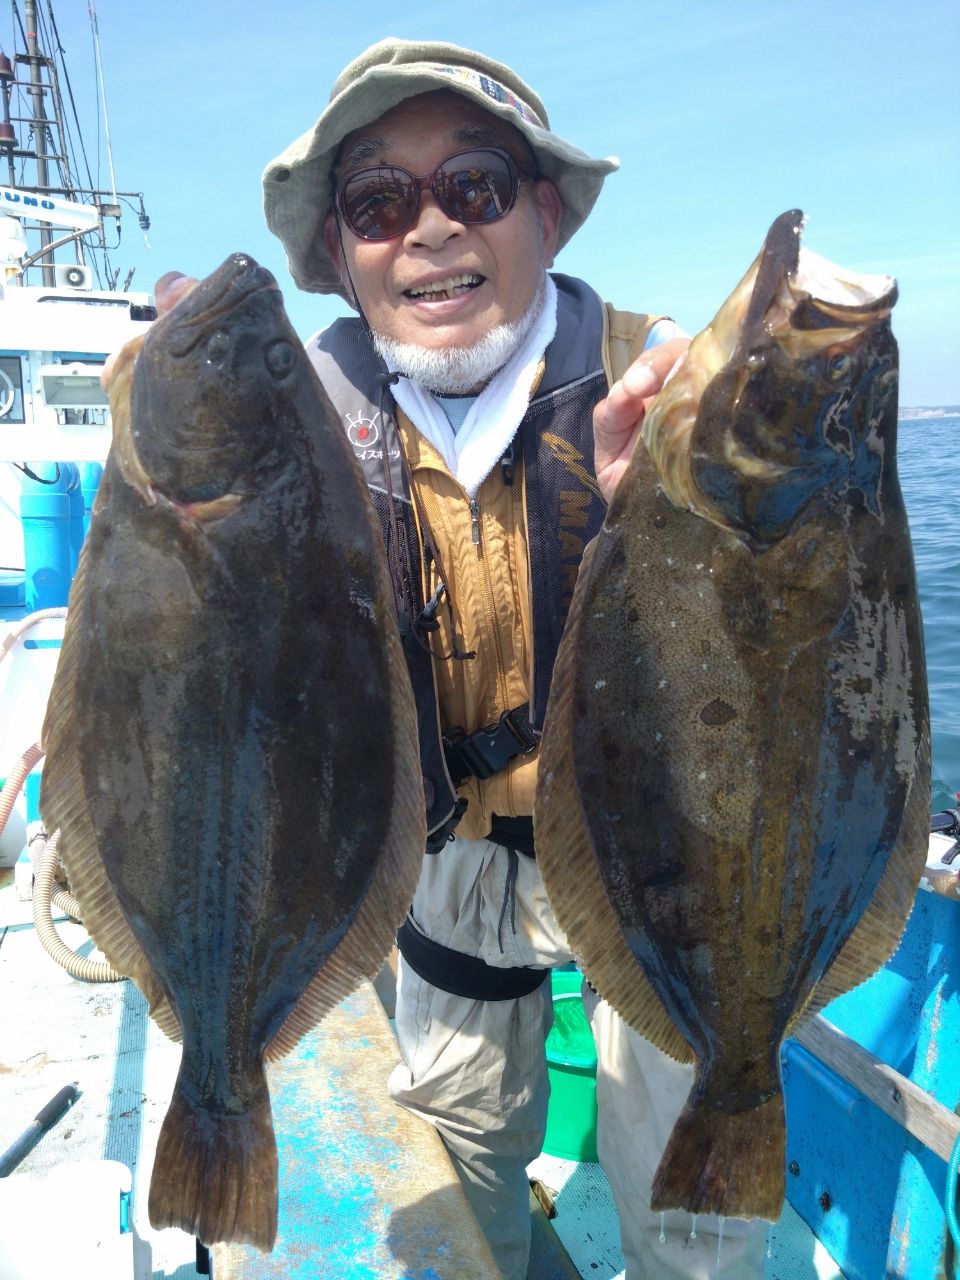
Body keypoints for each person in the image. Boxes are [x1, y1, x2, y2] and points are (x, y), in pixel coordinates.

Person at [150, 38, 767, 1280]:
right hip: (441, 859)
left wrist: (681, 510)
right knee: (458, 1163)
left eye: (474, 186)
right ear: (336, 253)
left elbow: (789, 662)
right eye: (380, 203)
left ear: (546, 211)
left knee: (695, 1217)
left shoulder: (680, 389)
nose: (428, 231)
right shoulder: (291, 420)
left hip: (662, 863)